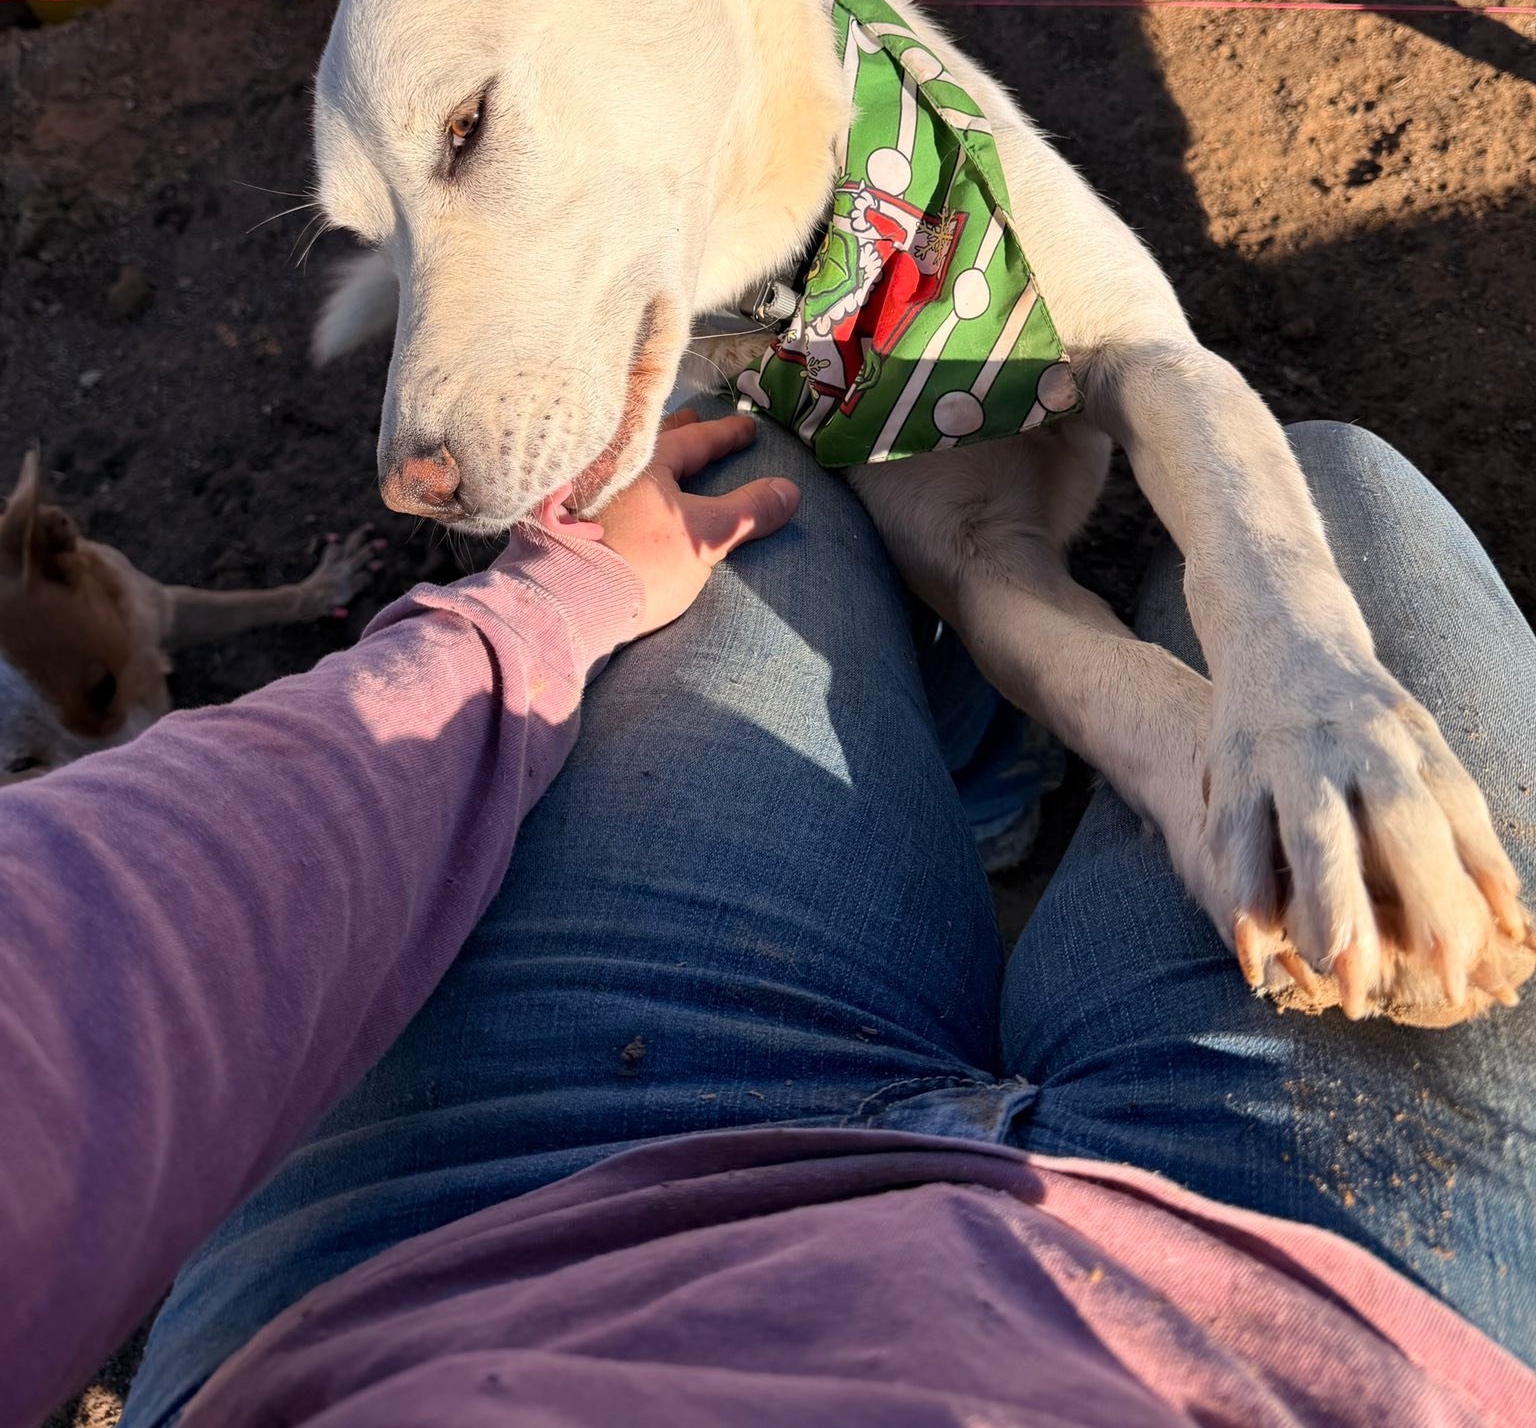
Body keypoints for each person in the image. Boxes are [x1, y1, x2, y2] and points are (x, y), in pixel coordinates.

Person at [1, 407, 1533, 1428]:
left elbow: (82, 940)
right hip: (1337, 1319)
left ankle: (953, 786)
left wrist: (537, 605)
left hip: (469, 1249)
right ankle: (972, 777)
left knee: (743, 479)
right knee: (1329, 487)